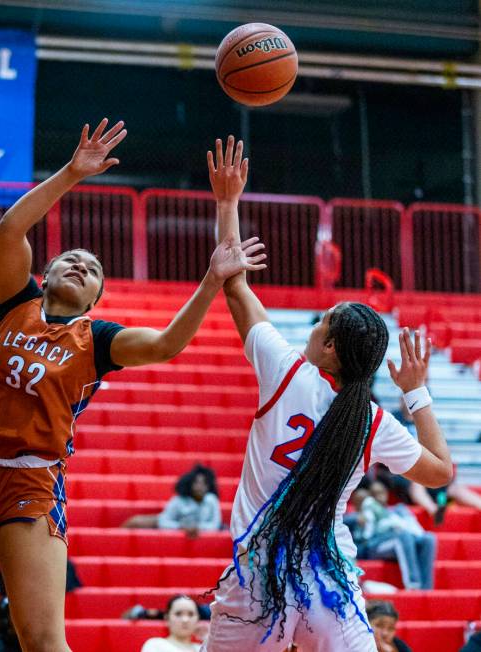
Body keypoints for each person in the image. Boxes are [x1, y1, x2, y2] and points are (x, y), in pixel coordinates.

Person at [0, 119, 267, 652]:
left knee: (43, 641)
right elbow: (10, 229)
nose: (80, 264)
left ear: (95, 299)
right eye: (69, 260)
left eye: (91, 269)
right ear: (44, 276)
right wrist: (73, 173)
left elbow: (166, 344)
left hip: (28, 485)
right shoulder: (16, 305)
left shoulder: (96, 340)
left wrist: (212, 280)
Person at [199, 135, 453, 652]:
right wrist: (418, 393)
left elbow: (235, 285)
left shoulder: (286, 372)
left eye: (321, 324)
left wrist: (227, 202)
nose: (312, 328)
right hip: (327, 587)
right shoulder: (371, 420)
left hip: (258, 584)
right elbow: (441, 473)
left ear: (330, 348)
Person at [358, 481, 436, 590]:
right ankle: (413, 585)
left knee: (428, 538)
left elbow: (417, 530)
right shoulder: (366, 511)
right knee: (403, 536)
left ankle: (426, 589)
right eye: (375, 494)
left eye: (381, 493)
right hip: (375, 546)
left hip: (401, 540)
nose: (379, 496)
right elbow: (365, 535)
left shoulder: (398, 510)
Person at [123, 464, 222, 536]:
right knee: (135, 522)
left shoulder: (212, 500)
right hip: (170, 525)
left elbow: (215, 525)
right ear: (190, 483)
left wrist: (197, 528)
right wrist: (181, 527)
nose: (200, 487)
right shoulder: (179, 499)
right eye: (197, 483)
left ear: (209, 486)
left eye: (204, 483)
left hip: (193, 531)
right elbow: (164, 521)